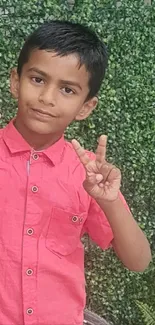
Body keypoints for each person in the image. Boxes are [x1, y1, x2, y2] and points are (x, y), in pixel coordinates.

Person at [0, 20, 151, 325]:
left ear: (86, 106)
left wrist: (108, 201)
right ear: (15, 81)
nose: (47, 98)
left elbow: (139, 261)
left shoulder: (85, 175)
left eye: (67, 89)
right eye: (38, 79)